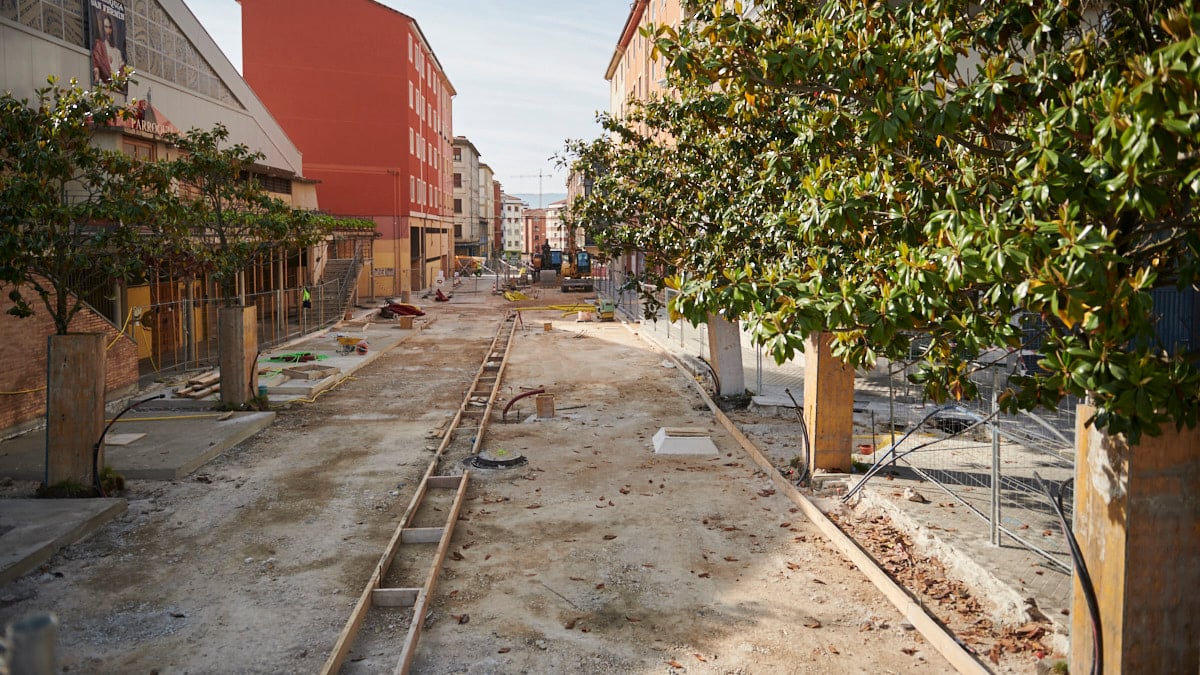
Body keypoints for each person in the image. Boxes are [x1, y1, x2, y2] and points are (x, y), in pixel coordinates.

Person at [91, 12, 124, 84]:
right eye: (106, 27)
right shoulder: (99, 46)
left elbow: (122, 72)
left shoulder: (117, 52)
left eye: (110, 27)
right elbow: (96, 66)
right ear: (102, 28)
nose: (108, 31)